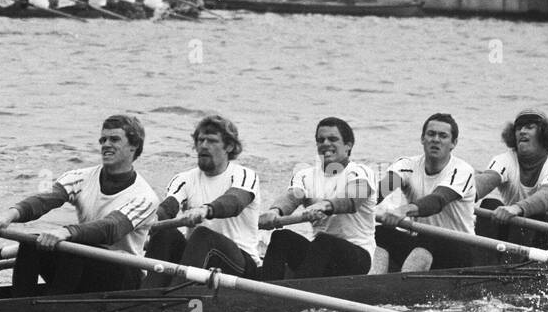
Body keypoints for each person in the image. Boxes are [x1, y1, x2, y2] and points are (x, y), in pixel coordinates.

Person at [0, 115, 159, 293]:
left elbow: (111, 228)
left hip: (124, 274)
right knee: (30, 244)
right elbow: (44, 200)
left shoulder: (145, 197)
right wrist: (7, 216)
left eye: (114, 139)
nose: (106, 144)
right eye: (103, 140)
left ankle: (53, 310)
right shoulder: (80, 177)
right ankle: (19, 303)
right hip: (86, 263)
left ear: (134, 146)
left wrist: (66, 232)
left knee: (74, 248)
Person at [145, 115, 262, 283]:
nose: (203, 146)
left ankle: (179, 302)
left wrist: (206, 209)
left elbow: (235, 201)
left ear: (229, 146)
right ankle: (147, 297)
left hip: (241, 265)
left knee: (202, 235)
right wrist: (151, 219)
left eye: (212, 141)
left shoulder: (245, 175)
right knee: (165, 233)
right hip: (198, 258)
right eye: (200, 140)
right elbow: (169, 206)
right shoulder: (183, 179)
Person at [258, 117, 377, 280]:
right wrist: (275, 211)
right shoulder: (305, 175)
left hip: (357, 257)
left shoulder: (361, 172)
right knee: (281, 237)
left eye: (333, 139)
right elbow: (292, 197)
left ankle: (297, 294)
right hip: (320, 255)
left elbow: (353, 200)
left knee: (324, 242)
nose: (326, 143)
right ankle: (266, 290)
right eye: (321, 140)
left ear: (348, 145)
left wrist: (325, 205)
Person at [374, 112, 479, 272]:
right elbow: (379, 192)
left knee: (429, 238)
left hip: (459, 249)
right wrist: (337, 204)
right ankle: (372, 282)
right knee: (380, 233)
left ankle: (404, 288)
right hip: (422, 243)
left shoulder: (462, 170)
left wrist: (404, 210)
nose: (436, 139)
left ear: (453, 143)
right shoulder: (406, 164)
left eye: (443, 136)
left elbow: (438, 200)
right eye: (431, 134)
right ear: (422, 139)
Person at [474, 108, 548, 249]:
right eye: (519, 127)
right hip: (515, 236)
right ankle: (482, 263)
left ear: (544, 134)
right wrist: (463, 194)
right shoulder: (504, 159)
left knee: (534, 215)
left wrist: (517, 208)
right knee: (490, 204)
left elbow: (547, 197)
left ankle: (506, 265)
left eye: (529, 127)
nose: (522, 131)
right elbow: (487, 180)